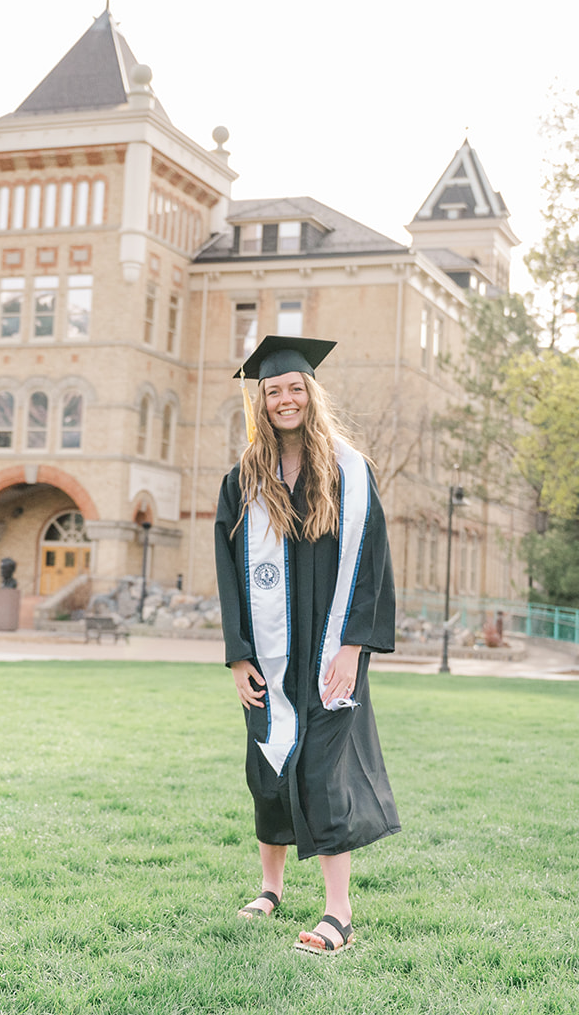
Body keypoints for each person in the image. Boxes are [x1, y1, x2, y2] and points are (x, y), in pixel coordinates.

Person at [215, 335, 398, 955]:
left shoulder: (349, 470)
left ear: (311, 395)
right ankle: (270, 889)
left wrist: (354, 647)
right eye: (273, 391)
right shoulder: (243, 480)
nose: (285, 400)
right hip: (267, 654)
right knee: (267, 770)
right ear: (260, 402)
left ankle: (338, 915)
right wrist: (239, 654)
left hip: (329, 654)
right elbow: (230, 574)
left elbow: (370, 564)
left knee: (322, 772)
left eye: (295, 388)